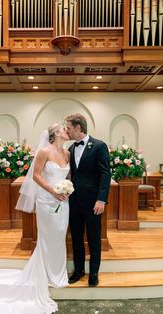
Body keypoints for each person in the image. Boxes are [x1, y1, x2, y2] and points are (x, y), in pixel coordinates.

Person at [0, 123, 70, 314]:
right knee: (47, 237)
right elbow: (36, 175)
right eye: (63, 129)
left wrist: (66, 190)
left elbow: (68, 175)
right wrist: (52, 190)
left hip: (63, 201)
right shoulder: (44, 152)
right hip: (46, 200)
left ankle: (59, 274)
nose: (67, 130)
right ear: (56, 134)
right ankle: (46, 275)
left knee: (59, 237)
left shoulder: (67, 154)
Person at [65, 113, 111, 287]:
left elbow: (105, 174)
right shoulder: (70, 149)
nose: (67, 131)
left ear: (78, 128)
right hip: (74, 202)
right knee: (76, 237)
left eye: (69, 128)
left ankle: (94, 273)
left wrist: (101, 199)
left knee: (93, 238)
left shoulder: (99, 146)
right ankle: (78, 271)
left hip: (93, 203)